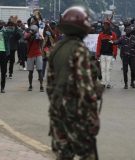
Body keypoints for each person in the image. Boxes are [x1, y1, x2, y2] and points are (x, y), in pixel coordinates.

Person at [47, 6, 103, 160]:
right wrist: (93, 117)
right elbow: (86, 89)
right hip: (76, 115)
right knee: (88, 154)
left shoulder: (56, 49)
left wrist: (57, 106)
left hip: (57, 113)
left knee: (64, 155)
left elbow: (50, 87)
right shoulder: (79, 50)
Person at [113, 25, 135, 89]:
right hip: (125, 57)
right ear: (125, 31)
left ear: (131, 30)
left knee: (133, 70)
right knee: (125, 71)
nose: (128, 30)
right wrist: (110, 41)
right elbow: (116, 42)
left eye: (129, 29)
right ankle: (126, 84)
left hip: (133, 56)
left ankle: (132, 82)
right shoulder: (122, 38)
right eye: (126, 29)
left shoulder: (134, 37)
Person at [96, 20, 117, 88]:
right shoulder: (101, 35)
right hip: (102, 55)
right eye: (104, 25)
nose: (105, 26)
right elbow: (99, 45)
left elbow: (114, 45)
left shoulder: (113, 35)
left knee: (108, 69)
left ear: (109, 26)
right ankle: (103, 82)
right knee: (103, 69)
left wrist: (115, 53)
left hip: (110, 55)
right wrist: (97, 54)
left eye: (107, 25)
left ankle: (108, 83)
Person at [24, 24, 44, 92]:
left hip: (38, 54)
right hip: (30, 55)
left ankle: (41, 85)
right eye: (32, 29)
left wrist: (37, 35)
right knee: (30, 71)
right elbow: (25, 38)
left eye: (34, 29)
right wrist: (31, 33)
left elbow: (41, 40)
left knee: (40, 71)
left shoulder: (38, 35)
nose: (33, 30)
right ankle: (30, 85)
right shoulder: (28, 34)